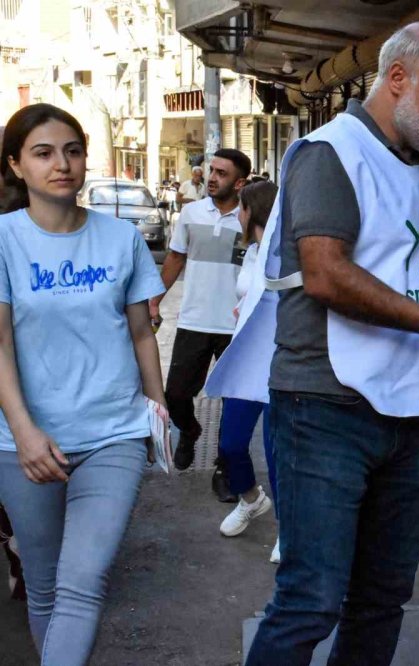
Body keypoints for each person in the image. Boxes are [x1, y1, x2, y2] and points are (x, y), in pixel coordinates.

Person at [242, 22, 419, 666]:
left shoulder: (413, 158)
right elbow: (327, 273)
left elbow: (394, 265)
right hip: (325, 408)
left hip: (402, 412)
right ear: (397, 80)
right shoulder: (331, 153)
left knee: (383, 598)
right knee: (311, 600)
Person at [0, 103, 167, 665]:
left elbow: (143, 334)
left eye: (72, 151)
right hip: (23, 441)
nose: (62, 164)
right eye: (43, 153)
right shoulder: (2, 240)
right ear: (17, 166)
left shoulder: (121, 238)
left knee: (81, 582)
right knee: (44, 589)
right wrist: (24, 433)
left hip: (112, 432)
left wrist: (157, 414)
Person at [150, 148, 249, 501]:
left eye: (221, 173)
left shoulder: (250, 217)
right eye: (211, 170)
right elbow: (175, 258)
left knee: (233, 401)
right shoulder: (191, 213)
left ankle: (225, 470)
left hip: (236, 325)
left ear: (239, 183)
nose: (211, 177)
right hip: (194, 320)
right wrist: (154, 301)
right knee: (176, 393)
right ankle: (189, 431)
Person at [214, 180, 281, 562]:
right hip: (246, 361)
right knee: (230, 444)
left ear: (252, 211)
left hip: (279, 364)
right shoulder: (252, 251)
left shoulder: (284, 254)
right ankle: (251, 499)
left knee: (277, 453)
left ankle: (288, 530)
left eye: (240, 208)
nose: (236, 215)